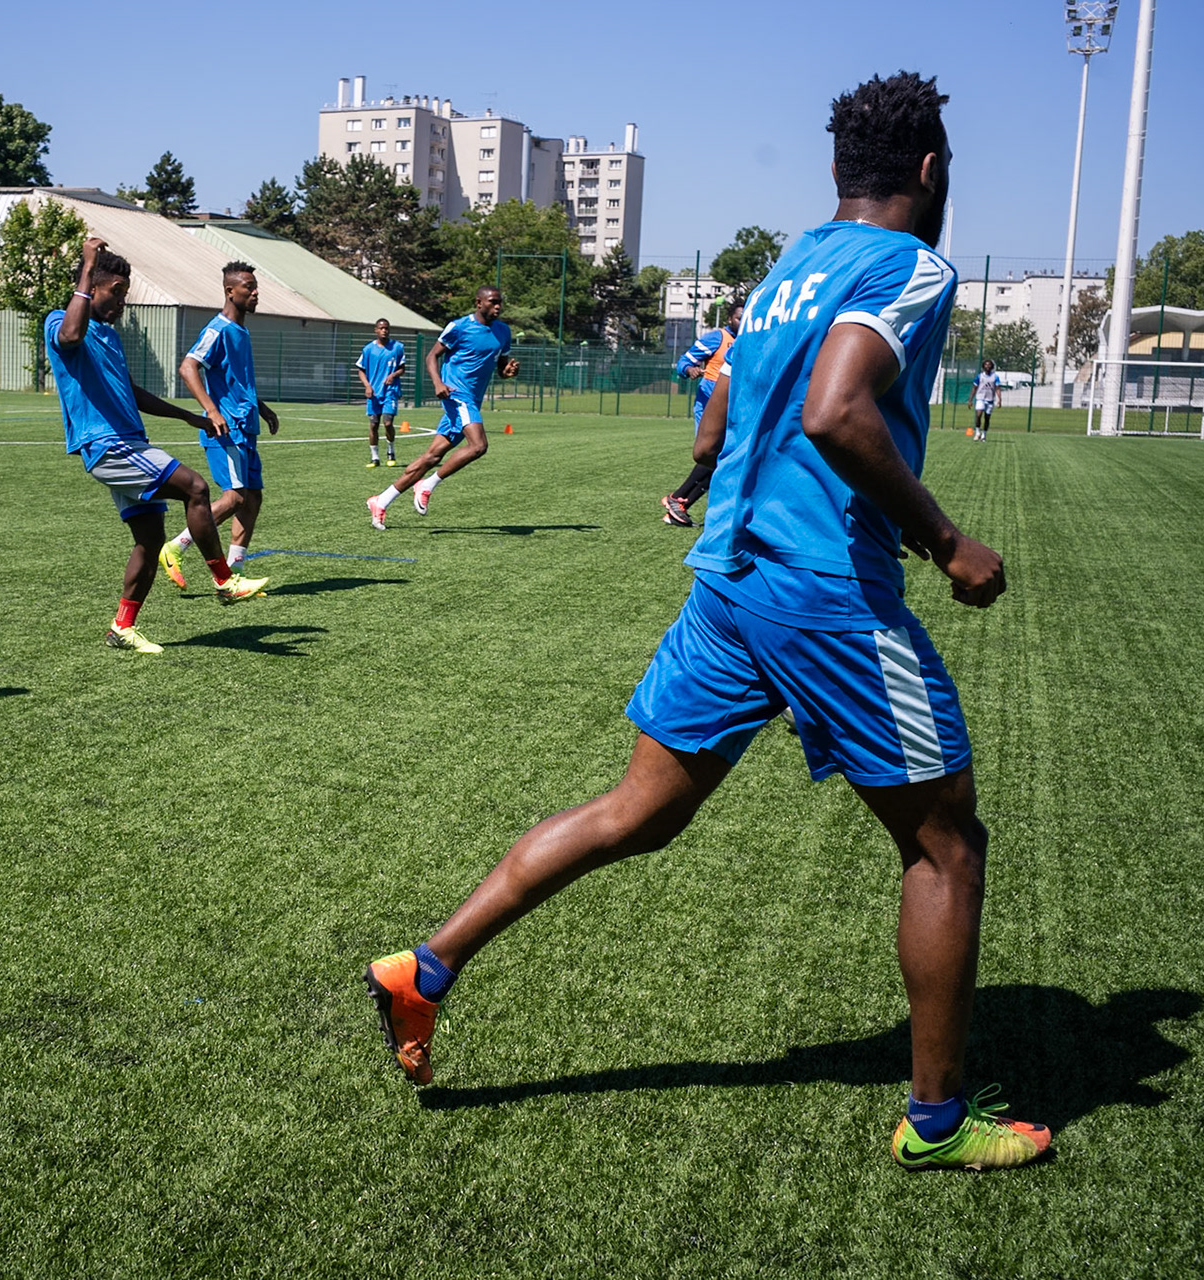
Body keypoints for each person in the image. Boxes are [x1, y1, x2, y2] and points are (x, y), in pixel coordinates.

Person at [362, 72, 1052, 1173]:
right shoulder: (912, 266)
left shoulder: (790, 262)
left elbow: (732, 399)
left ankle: (426, 964)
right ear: (932, 170)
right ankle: (937, 1120)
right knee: (945, 844)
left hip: (727, 578)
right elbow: (836, 408)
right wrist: (947, 543)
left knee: (637, 810)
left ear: (836, 175)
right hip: (826, 593)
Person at [46, 238, 268, 654]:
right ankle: (224, 581)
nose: (122, 304)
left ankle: (122, 627)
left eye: (125, 296)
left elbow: (131, 393)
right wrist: (88, 264)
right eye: (116, 294)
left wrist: (188, 416)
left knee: (148, 542)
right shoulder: (60, 320)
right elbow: (71, 335)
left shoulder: (109, 337)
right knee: (196, 488)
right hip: (106, 444)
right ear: (91, 287)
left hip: (129, 442)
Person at [160, 262, 281, 590]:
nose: (255, 293)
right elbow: (188, 368)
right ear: (230, 291)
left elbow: (239, 384)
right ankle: (175, 547)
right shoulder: (218, 329)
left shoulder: (241, 331)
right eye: (249, 287)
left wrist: (264, 410)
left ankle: (235, 571)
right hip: (226, 431)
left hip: (246, 428)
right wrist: (212, 411)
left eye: (256, 287)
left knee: (252, 499)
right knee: (234, 498)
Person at [367, 288, 519, 529]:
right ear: (478, 303)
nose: (498, 307)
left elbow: (501, 365)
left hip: (472, 400)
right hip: (456, 394)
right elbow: (431, 356)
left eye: (500, 302)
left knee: (432, 457)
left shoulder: (503, 331)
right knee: (478, 446)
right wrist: (437, 382)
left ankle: (381, 500)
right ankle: (427, 485)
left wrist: (507, 372)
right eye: (493, 302)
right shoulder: (458, 327)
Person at [663, 298, 744, 527]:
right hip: (709, 405)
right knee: (713, 453)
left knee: (723, 458)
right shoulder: (718, 338)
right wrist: (690, 369)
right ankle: (678, 501)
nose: (743, 321)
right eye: (739, 317)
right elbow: (683, 361)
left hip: (734, 407)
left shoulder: (749, 339)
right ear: (730, 318)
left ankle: (677, 507)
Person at [356, 318, 407, 468]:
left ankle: (391, 452)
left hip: (390, 392)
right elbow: (361, 370)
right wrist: (367, 386)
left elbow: (402, 368)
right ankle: (375, 458)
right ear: (376, 330)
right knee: (373, 424)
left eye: (387, 328)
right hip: (373, 393)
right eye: (381, 328)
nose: (384, 330)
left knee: (388, 422)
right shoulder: (368, 349)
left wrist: (392, 375)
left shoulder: (397, 347)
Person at [972, 359, 1002, 440]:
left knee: (987, 417)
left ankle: (984, 434)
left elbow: (997, 388)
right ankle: (977, 432)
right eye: (986, 365)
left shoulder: (995, 377)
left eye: (989, 365)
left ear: (991, 366)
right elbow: (975, 388)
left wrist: (999, 399)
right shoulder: (979, 376)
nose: (987, 366)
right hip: (980, 398)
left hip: (990, 399)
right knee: (978, 415)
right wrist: (970, 399)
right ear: (983, 366)